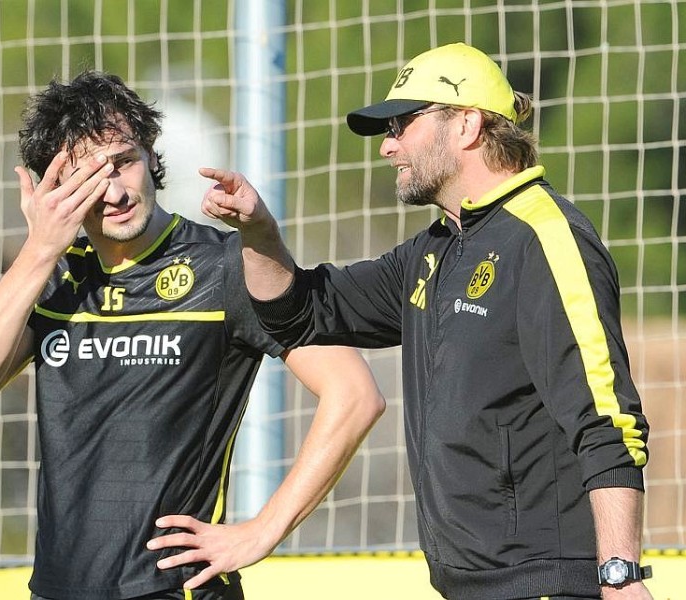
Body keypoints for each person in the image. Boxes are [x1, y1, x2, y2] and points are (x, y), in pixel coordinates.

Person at [195, 43, 653, 599]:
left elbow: (607, 420)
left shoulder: (547, 238)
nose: (388, 147)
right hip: (466, 585)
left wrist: (620, 575)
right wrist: (259, 232)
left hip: (546, 582)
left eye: (401, 125)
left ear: (466, 125)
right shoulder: (434, 248)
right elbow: (301, 312)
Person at [0, 70, 385, 600]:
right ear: (52, 191)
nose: (113, 191)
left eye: (123, 162)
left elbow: (356, 395)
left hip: (178, 590)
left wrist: (261, 532)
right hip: (56, 590)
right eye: (85, 179)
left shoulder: (225, 267)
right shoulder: (52, 279)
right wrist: (40, 250)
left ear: (151, 155)